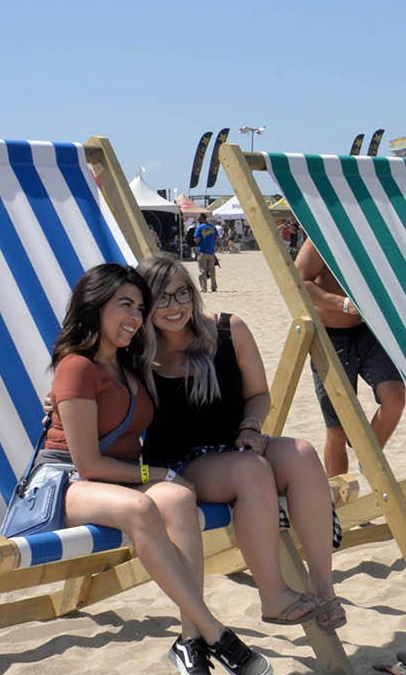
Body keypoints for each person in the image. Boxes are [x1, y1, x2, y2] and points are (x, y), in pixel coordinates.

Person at [44, 263, 274, 675]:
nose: (134, 316)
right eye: (124, 305)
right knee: (146, 504)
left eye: (139, 307)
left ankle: (188, 640)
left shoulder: (131, 363)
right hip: (70, 482)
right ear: (95, 307)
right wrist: (157, 472)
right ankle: (213, 633)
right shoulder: (77, 367)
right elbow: (88, 464)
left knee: (178, 499)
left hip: (122, 481)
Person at [137, 254, 347, 631]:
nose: (175, 307)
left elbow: (259, 395)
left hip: (235, 444)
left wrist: (251, 426)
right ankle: (273, 597)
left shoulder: (227, 330)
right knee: (252, 470)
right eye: (161, 298)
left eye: (181, 293)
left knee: (301, 453)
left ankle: (323, 586)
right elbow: (90, 383)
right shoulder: (135, 352)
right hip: (178, 465)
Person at [294, 240, 406, 480]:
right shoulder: (320, 237)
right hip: (331, 338)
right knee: (338, 429)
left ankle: (369, 458)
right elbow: (298, 281)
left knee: (394, 398)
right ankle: (339, 505)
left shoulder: (370, 233)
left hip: (368, 332)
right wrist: (342, 304)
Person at [191, 217, 221, 292]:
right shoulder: (213, 227)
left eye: (198, 218)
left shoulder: (200, 227)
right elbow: (217, 238)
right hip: (211, 252)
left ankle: (204, 288)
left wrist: (198, 242)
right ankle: (214, 287)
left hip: (202, 252)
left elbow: (196, 239)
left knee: (202, 271)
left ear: (201, 219)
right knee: (212, 271)